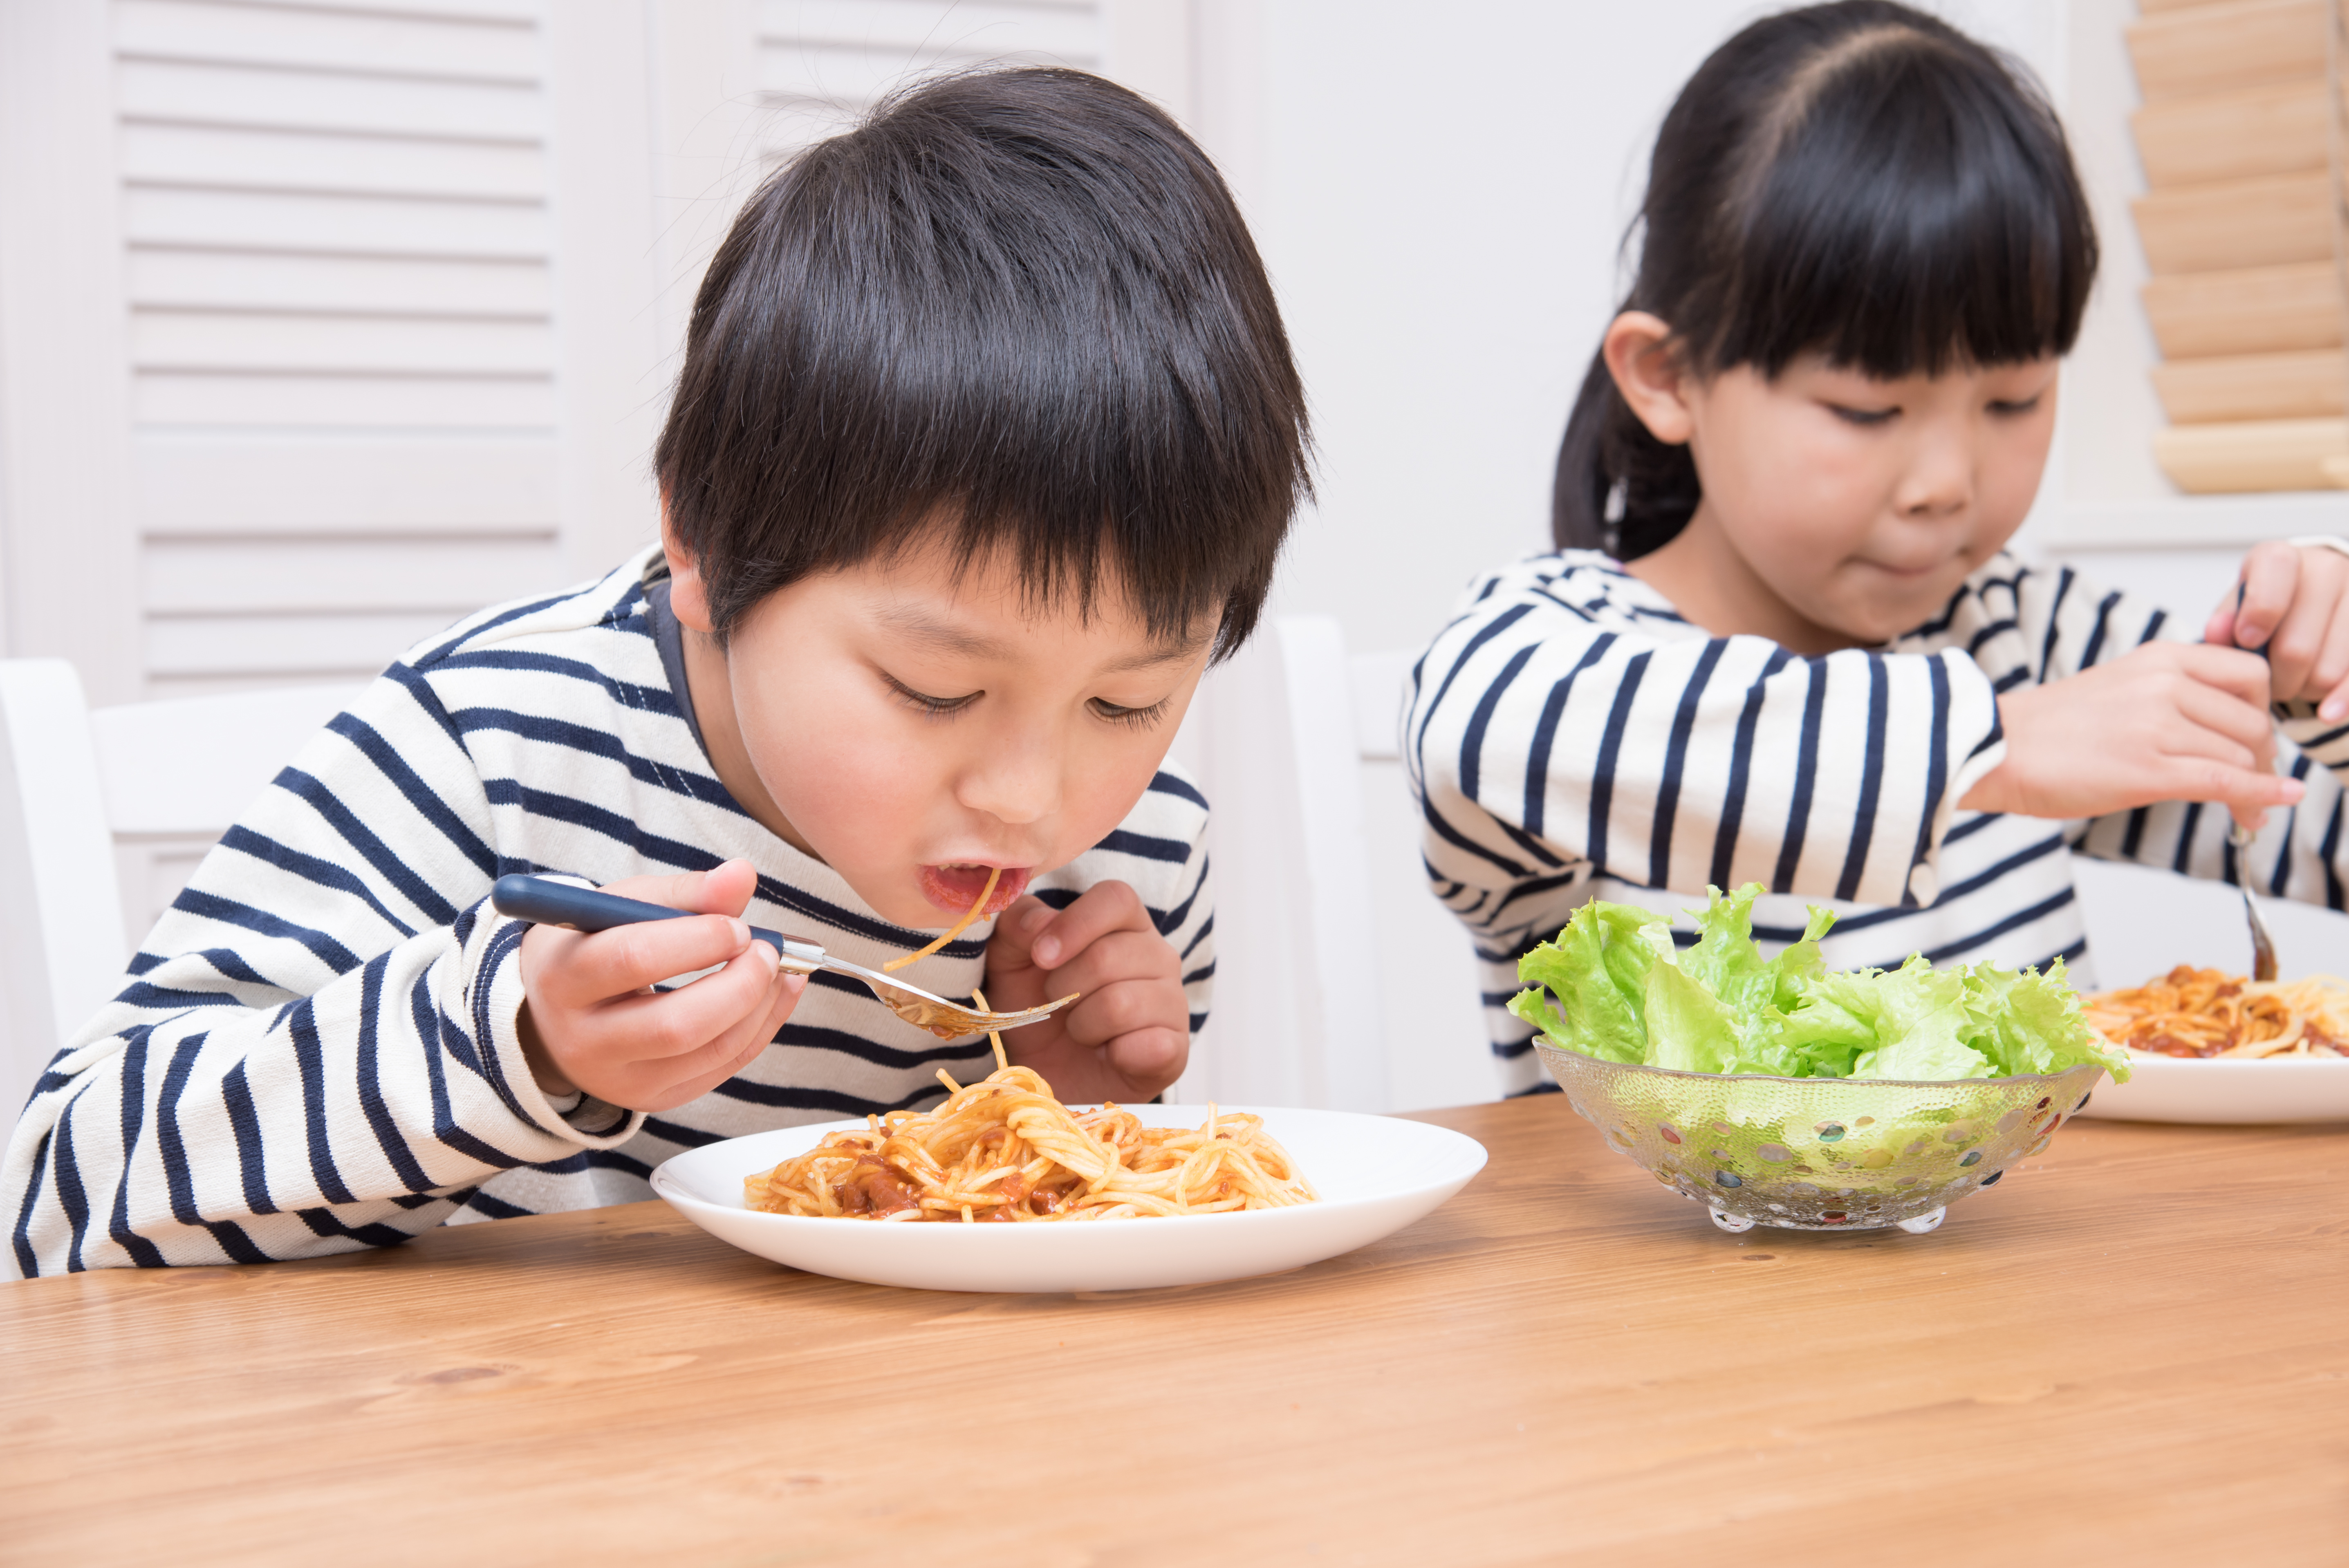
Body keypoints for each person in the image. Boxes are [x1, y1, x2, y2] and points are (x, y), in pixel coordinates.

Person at [4, 68, 1309, 1274]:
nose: (1033, 794)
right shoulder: (493, 748)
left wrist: (1063, 1108)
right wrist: (514, 1038)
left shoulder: (1127, 859)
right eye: (933, 688)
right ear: (701, 539)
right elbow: (61, 1198)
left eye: (1127, 699)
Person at [1409, 1, 2349, 1095]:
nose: (1946, 483)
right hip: (1669, 1272)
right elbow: (1470, 723)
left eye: (2012, 397)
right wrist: (1992, 743)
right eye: (1865, 409)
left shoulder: (2020, 631)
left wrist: (2318, 676)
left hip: (2029, 1269)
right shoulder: (1560, 646)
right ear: (1668, 379)